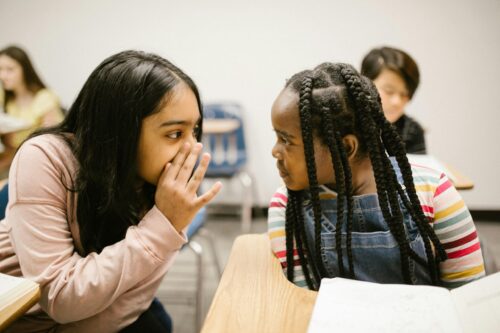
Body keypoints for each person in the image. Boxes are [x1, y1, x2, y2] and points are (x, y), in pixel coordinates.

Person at [0, 50, 222, 332]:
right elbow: (60, 298)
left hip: (106, 304)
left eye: (195, 130)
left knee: (156, 324)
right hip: (24, 315)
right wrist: (162, 225)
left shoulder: (165, 187)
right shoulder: (44, 157)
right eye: (175, 133)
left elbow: (132, 304)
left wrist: (165, 220)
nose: (193, 148)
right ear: (121, 130)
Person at [268, 62, 484, 291]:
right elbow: (303, 300)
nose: (275, 151)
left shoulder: (436, 193)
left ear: (346, 148)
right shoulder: (286, 206)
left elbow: (467, 297)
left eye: (286, 140)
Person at [0, 45, 64, 175]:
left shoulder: (45, 97)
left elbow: (52, 141)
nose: (3, 75)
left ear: (25, 69)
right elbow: (9, 147)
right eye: (0, 69)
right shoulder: (5, 99)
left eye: (10, 69)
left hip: (39, 163)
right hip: (14, 160)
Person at [361, 46, 426, 154]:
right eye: (389, 91)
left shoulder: (412, 131)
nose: (397, 102)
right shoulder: (345, 121)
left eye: (404, 94)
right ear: (364, 84)